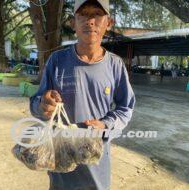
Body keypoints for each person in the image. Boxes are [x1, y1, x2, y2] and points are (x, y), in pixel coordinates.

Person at [30, 0, 135, 189]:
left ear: (108, 23)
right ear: (73, 23)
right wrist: (43, 105)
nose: (90, 21)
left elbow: (125, 108)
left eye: (96, 14)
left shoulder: (115, 65)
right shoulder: (57, 60)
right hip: (61, 164)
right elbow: (36, 104)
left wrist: (105, 125)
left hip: (96, 165)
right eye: (83, 15)